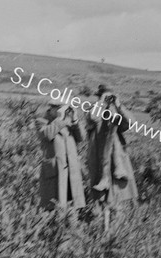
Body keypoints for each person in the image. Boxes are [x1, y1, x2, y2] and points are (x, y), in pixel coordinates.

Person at [86, 85, 138, 226]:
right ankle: (101, 226)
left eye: (110, 96)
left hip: (117, 159)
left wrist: (119, 106)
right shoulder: (93, 108)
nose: (108, 99)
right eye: (105, 96)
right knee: (101, 194)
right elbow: (93, 118)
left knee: (118, 192)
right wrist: (102, 103)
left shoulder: (116, 112)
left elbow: (132, 123)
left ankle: (116, 229)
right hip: (98, 156)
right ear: (99, 96)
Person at [36, 99, 86, 211]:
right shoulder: (41, 120)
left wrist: (75, 120)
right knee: (54, 207)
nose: (64, 111)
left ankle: (72, 227)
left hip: (71, 170)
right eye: (60, 108)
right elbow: (47, 135)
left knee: (73, 206)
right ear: (52, 108)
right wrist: (59, 119)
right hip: (55, 171)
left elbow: (82, 138)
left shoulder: (69, 122)